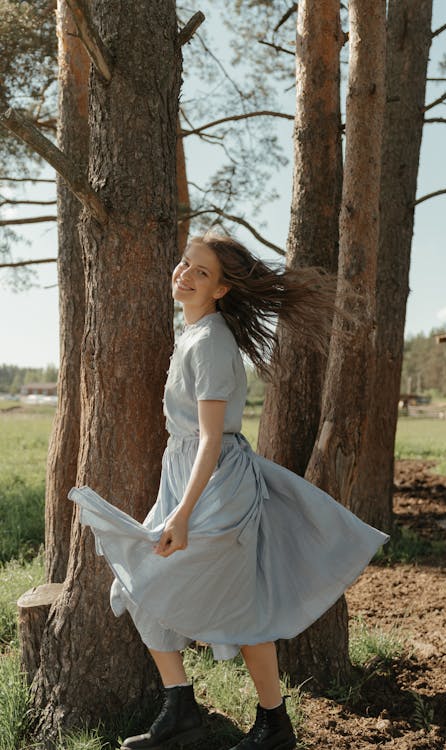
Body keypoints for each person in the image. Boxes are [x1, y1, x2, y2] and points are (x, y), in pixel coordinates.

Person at [69, 231, 389, 750]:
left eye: (200, 272)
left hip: (216, 486)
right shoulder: (193, 334)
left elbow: (213, 439)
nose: (184, 274)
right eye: (184, 263)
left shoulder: (213, 341)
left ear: (220, 290)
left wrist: (182, 514)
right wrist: (174, 503)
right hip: (185, 475)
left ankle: (273, 724)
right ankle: (181, 710)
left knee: (235, 605)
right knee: (137, 586)